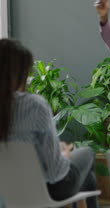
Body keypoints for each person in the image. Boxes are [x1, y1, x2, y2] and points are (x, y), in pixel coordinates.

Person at [0, 39, 99, 208]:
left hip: (6, 193)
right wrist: (65, 154)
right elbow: (55, 173)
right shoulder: (34, 105)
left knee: (87, 178)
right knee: (87, 153)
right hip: (48, 190)